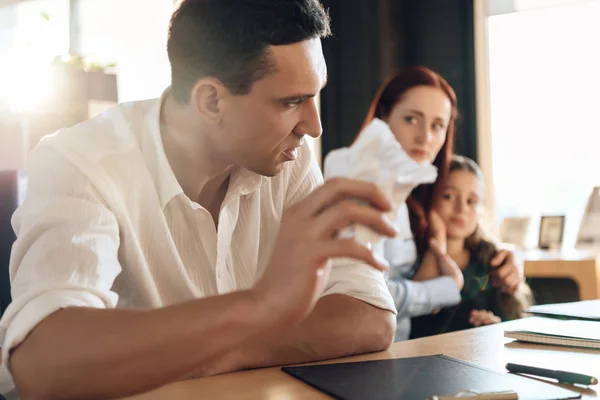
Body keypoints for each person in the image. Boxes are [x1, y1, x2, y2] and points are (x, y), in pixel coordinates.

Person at [0, 1, 400, 399]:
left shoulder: (286, 160)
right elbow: (44, 363)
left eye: (315, 96)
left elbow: (369, 316)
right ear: (211, 101)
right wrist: (258, 308)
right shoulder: (83, 161)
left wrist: (219, 350)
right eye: (291, 102)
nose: (314, 127)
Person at [354, 66, 524, 341]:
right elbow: (367, 297)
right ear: (383, 117)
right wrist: (447, 287)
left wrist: (512, 254)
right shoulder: (363, 194)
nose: (426, 137)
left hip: (399, 355)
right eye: (411, 119)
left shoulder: (409, 199)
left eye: (438, 126)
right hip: (363, 361)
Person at [409, 155, 533, 338]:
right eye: (448, 196)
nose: (461, 209)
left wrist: (493, 327)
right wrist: (437, 245)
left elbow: (512, 322)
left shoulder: (489, 261)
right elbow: (410, 319)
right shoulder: (409, 258)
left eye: (471, 201)